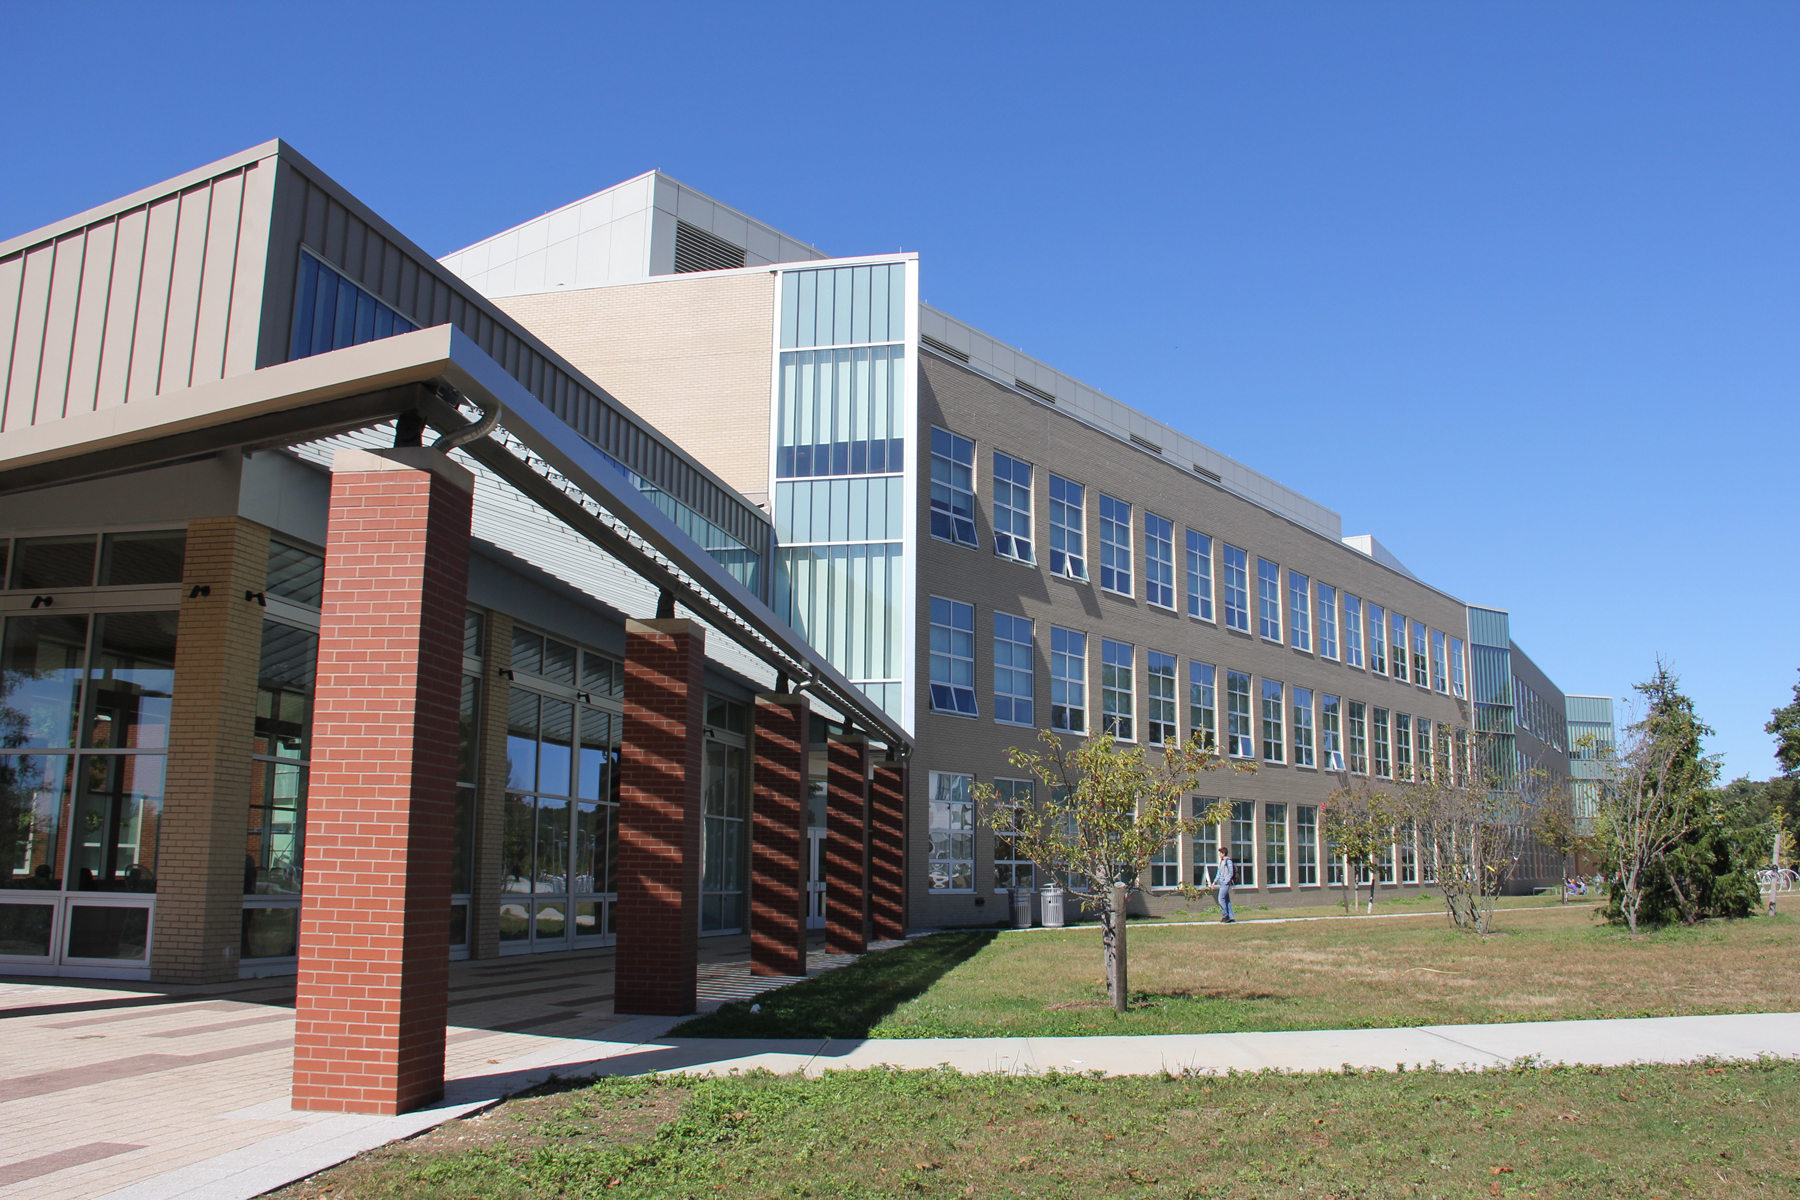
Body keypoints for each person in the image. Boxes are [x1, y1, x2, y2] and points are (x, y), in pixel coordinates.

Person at [1216, 847, 1236, 923]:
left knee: (1221, 899)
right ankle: (1231, 917)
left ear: (1223, 853)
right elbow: (1219, 873)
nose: (1219, 855)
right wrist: (1214, 882)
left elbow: (1231, 872)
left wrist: (1226, 881)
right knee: (1227, 900)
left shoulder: (1228, 861)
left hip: (1225, 883)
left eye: (1220, 853)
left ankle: (1225, 916)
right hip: (1222, 883)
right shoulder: (1222, 862)